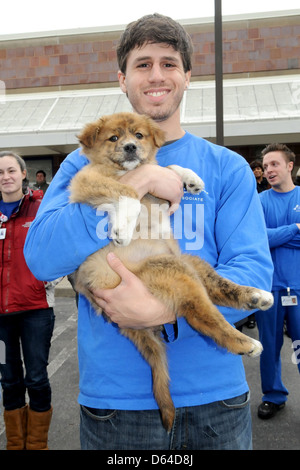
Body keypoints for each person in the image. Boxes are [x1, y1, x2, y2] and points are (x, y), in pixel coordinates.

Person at [24, 13, 273, 450]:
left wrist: (162, 310)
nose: (156, 75)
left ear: (187, 75)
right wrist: (133, 185)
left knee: (189, 270)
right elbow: (41, 256)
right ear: (122, 78)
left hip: (216, 398)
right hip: (116, 402)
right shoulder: (79, 164)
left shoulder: (226, 167)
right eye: (142, 64)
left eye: (169, 63)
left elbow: (252, 269)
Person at [0, 151, 55, 450]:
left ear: (23, 174)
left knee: (35, 377)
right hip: (1, 316)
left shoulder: (41, 207)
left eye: (11, 170)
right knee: (8, 379)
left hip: (36, 310)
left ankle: (36, 444)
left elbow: (60, 245)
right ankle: (15, 443)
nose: (5, 177)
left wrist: (47, 279)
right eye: (0, 172)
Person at [255, 143, 300, 420]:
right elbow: (260, 238)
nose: (269, 170)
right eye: (266, 165)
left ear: (289, 166)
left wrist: (275, 235)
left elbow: (271, 237)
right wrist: (295, 229)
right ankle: (273, 396)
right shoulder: (259, 202)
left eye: (274, 164)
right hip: (269, 287)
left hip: (298, 285)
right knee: (269, 345)